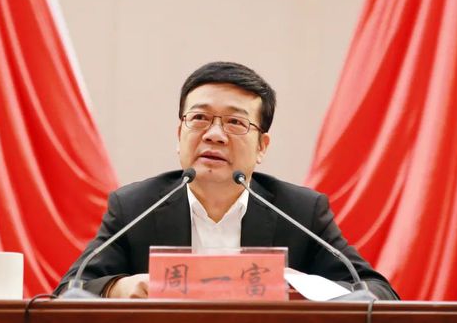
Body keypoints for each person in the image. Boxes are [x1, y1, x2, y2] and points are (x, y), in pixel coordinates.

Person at [54, 62, 399, 300]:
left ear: (262, 147)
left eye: (235, 123)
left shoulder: (300, 212)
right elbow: (70, 291)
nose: (214, 135)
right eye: (200, 118)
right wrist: (120, 288)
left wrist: (305, 288)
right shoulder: (136, 207)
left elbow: (377, 293)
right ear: (179, 135)